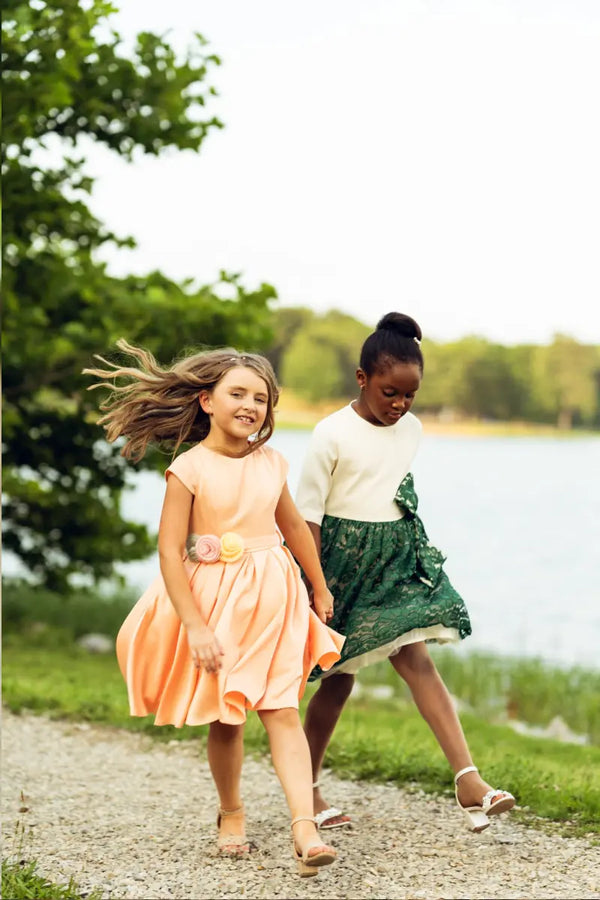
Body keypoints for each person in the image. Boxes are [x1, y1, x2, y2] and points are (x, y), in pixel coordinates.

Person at [84, 340, 345, 878]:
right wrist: (196, 626)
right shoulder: (189, 467)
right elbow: (169, 550)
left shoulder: (273, 462)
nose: (251, 405)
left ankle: (304, 826)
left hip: (274, 595)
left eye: (262, 398)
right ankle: (231, 812)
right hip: (217, 601)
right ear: (207, 401)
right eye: (238, 394)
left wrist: (318, 585)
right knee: (227, 718)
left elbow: (293, 527)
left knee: (280, 708)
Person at [296, 312, 515, 834]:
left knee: (416, 660)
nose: (399, 405)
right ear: (362, 378)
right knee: (334, 681)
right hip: (339, 566)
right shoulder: (330, 434)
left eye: (410, 396)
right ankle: (304, 789)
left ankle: (468, 779)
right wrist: (313, 584)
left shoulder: (411, 429)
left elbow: (392, 487)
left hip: (393, 559)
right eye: (390, 392)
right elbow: (306, 515)